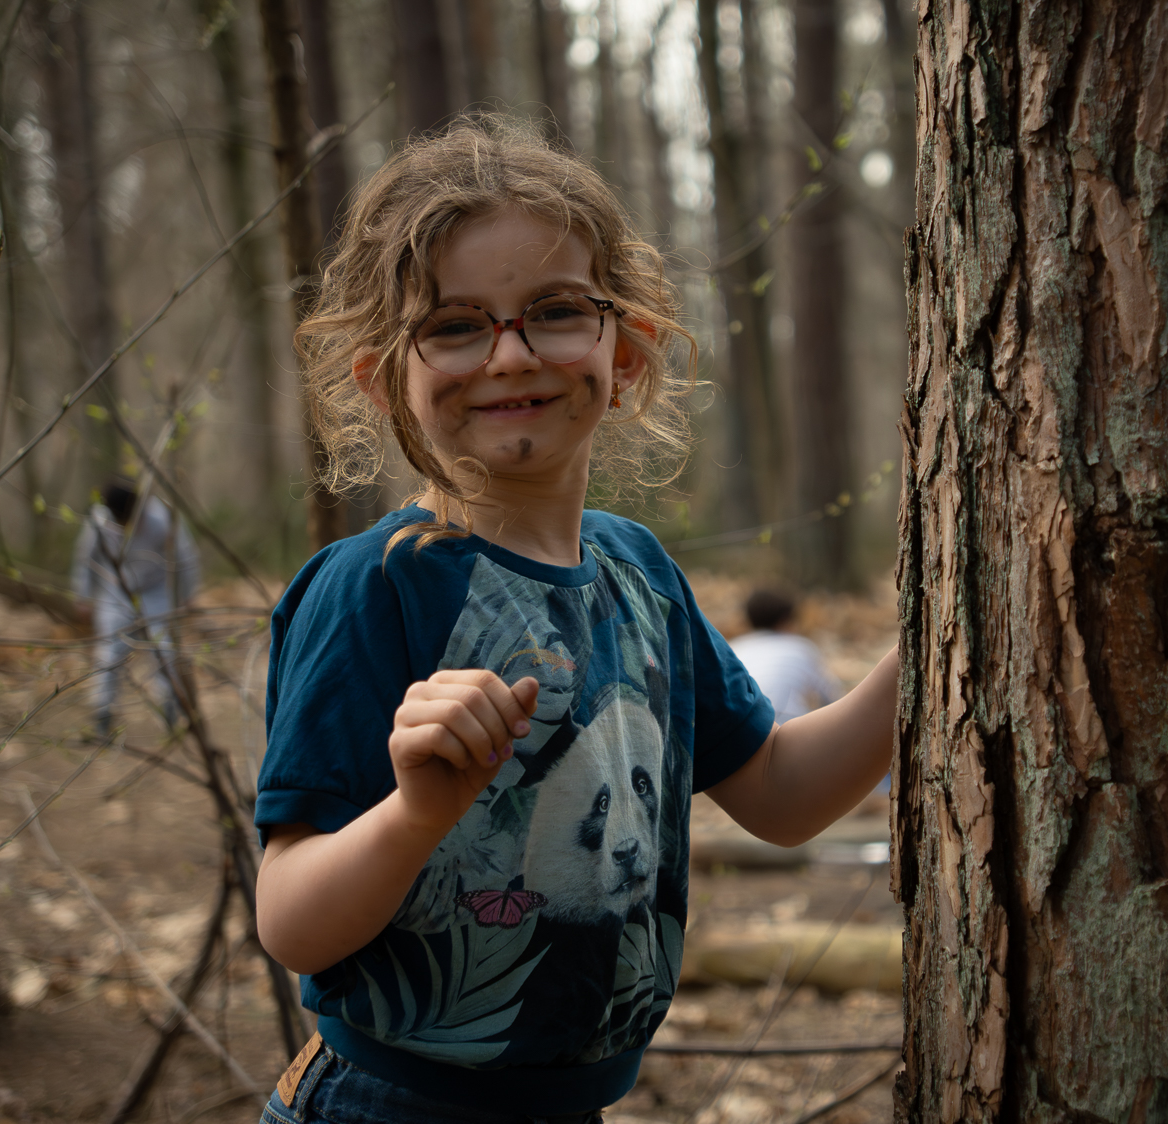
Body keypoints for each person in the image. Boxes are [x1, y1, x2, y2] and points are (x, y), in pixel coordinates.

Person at [253, 117, 897, 1124]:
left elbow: (780, 794)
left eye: (554, 311)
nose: (510, 356)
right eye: (454, 325)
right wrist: (417, 812)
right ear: (384, 379)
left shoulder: (637, 572)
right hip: (386, 1103)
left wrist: (938, 639)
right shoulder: (374, 586)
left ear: (626, 348)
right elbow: (291, 920)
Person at [70, 478, 201, 738]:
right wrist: (82, 596)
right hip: (115, 593)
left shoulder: (161, 517)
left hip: (157, 592)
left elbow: (185, 556)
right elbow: (86, 559)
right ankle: (103, 716)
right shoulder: (99, 522)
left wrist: (187, 594)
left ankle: (169, 709)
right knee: (109, 654)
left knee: (163, 650)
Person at [728, 588, 845, 725]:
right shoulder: (800, 647)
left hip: (738, 727)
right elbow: (833, 698)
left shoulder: (734, 648)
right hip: (785, 726)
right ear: (785, 619)